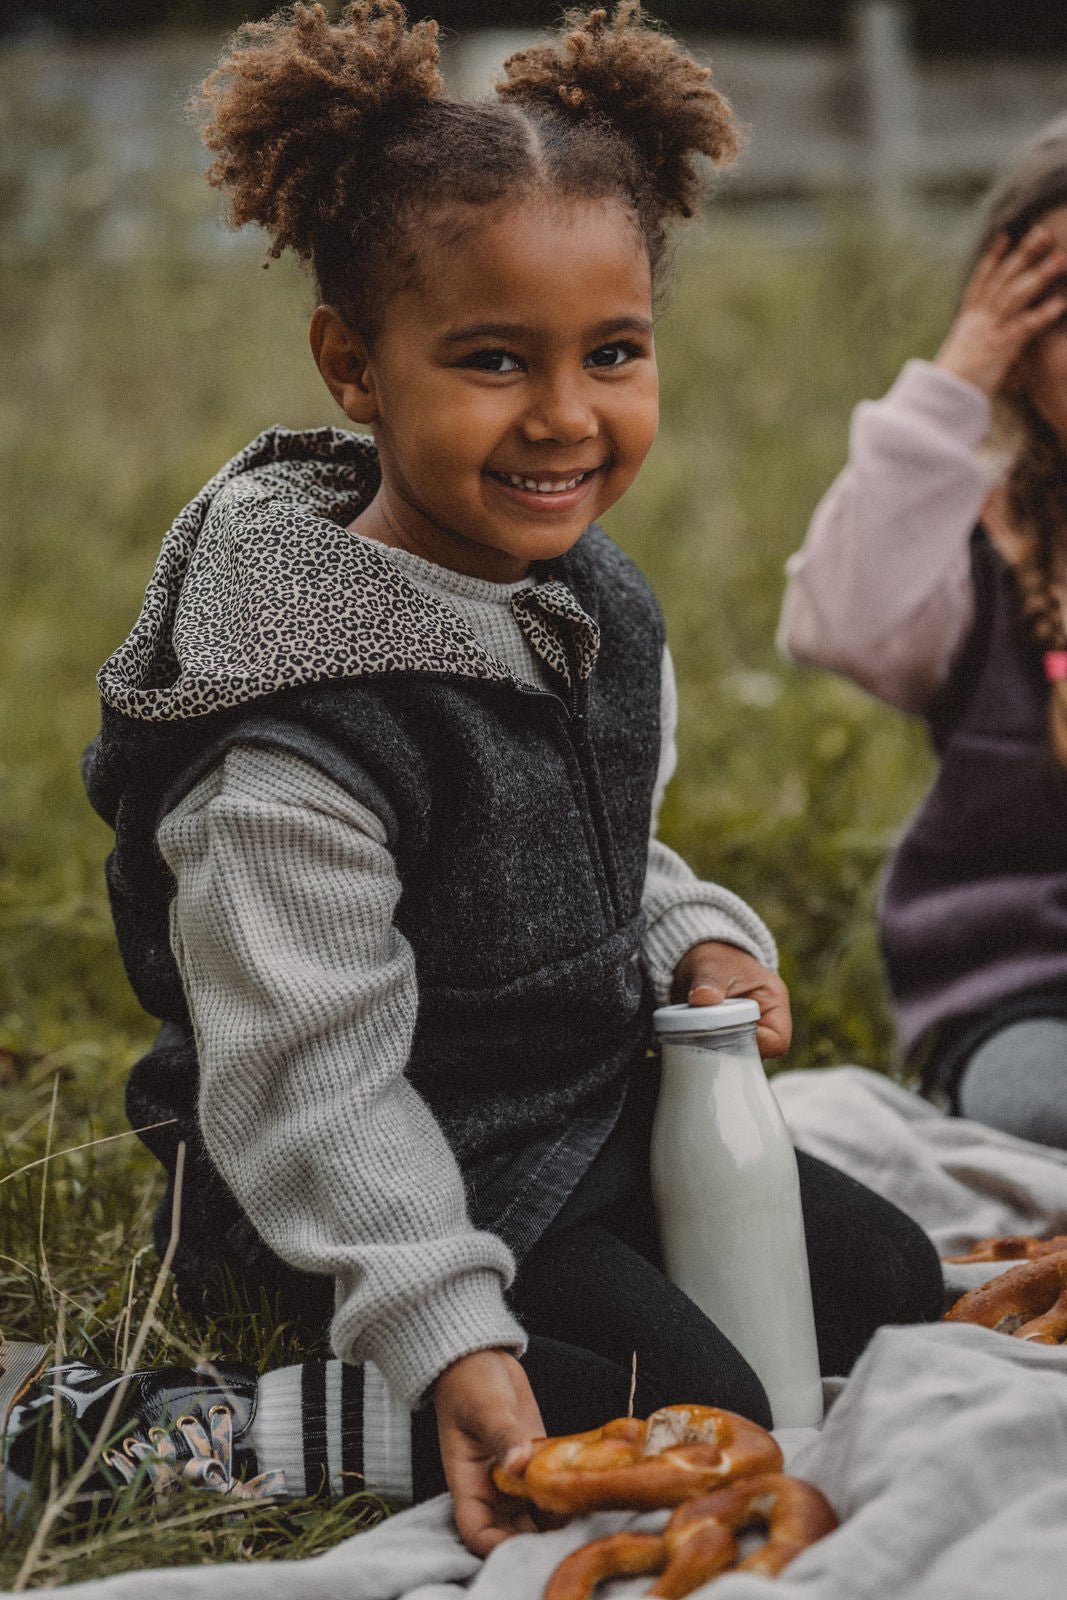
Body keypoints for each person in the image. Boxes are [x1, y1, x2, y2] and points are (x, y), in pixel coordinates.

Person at [64, 1, 941, 1555]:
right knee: (678, 1411)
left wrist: (688, 937)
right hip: (349, 1195)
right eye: (490, 359)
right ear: (352, 364)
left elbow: (601, 854)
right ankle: (189, 1424)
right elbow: (310, 1081)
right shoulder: (296, 730)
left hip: (576, 1121)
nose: (562, 416)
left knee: (886, 1285)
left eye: (612, 352)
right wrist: (441, 1326)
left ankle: (581, 1304)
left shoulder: (582, 600)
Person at [778, 113, 1067, 1145]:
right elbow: (838, 622)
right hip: (1026, 992)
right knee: (1044, 1107)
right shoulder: (981, 538)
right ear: (1015, 351)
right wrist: (950, 387)